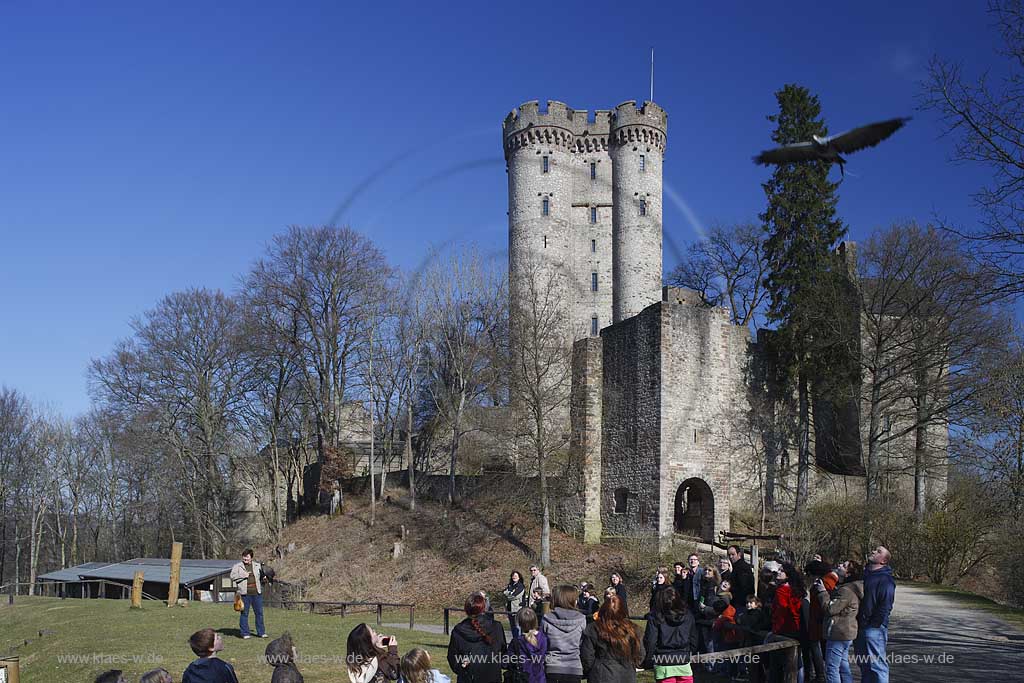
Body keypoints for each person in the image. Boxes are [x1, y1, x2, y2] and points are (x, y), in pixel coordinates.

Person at [815, 561, 863, 683]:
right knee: (843, 666)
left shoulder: (846, 591)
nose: (839, 565)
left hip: (838, 633)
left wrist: (822, 592)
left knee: (832, 668)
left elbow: (830, 609)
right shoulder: (849, 588)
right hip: (846, 632)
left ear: (847, 574)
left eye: (844, 566)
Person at [580, 594, 645, 683]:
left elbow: (586, 657)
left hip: (602, 673)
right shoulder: (633, 629)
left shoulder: (594, 629)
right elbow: (640, 655)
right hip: (624, 673)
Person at [854, 546, 895, 683]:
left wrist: (874, 625)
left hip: (874, 629)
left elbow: (885, 606)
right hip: (858, 626)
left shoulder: (886, 579)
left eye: (879, 552)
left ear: (884, 561)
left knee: (877, 666)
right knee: (864, 665)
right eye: (874, 549)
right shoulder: (864, 574)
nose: (873, 551)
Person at [448, 592, 507, 683]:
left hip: (481, 676)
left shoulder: (496, 627)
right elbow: (453, 658)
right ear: (484, 608)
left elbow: (502, 652)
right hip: (478, 676)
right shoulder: (459, 631)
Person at [642, 587, 697, 683]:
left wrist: (648, 660)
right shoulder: (688, 615)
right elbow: (694, 640)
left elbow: (650, 641)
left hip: (664, 662)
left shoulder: (655, 617)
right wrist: (688, 654)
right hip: (682, 661)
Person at [541, 585, 587, 683]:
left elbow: (542, 644)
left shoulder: (546, 619)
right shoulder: (582, 619)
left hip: (553, 665)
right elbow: (583, 644)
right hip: (573, 666)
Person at [767, 563, 805, 683]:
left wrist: (775, 631)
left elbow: (781, 612)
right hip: (796, 628)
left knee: (778, 664)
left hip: (783, 629)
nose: (778, 572)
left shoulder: (782, 591)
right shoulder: (796, 589)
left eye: (781, 571)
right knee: (796, 662)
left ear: (787, 575)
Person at [804, 560, 839, 683]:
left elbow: (824, 601)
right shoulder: (832, 579)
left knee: (816, 647)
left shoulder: (823, 583)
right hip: (820, 619)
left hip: (819, 618)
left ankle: (820, 675)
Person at [229, 548, 269, 639]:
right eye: (244, 557)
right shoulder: (237, 566)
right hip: (244, 594)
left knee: (259, 613)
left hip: (257, 593)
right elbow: (232, 576)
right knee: (244, 614)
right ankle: (245, 633)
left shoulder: (257, 565)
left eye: (247, 557)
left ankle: (261, 632)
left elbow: (261, 577)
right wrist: (244, 575)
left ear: (251, 557)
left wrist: (264, 579)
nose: (245, 559)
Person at [507, 606, 548, 683]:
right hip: (539, 678)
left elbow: (507, 660)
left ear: (519, 623)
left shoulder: (517, 641)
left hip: (522, 677)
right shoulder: (543, 639)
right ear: (535, 621)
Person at [726, 546, 755, 613]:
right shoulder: (737, 566)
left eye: (733, 554)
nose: (730, 557)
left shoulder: (742, 567)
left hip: (741, 602)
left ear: (739, 554)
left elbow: (744, 586)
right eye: (729, 555)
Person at [504, 571, 528, 639]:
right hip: (509, 610)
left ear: (519, 577)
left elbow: (515, 596)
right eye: (513, 576)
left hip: (517, 610)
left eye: (516, 576)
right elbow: (504, 593)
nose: (514, 577)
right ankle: (515, 641)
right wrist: (509, 593)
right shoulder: (510, 585)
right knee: (512, 627)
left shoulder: (520, 586)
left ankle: (520, 642)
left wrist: (509, 594)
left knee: (518, 627)